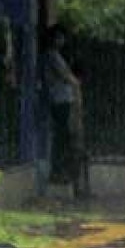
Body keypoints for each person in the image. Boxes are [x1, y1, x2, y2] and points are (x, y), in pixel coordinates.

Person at [43, 27, 83, 192]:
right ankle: (59, 171)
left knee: (64, 135)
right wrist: (75, 84)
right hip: (60, 100)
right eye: (60, 38)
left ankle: (62, 171)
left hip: (62, 99)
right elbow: (66, 75)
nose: (62, 41)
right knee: (62, 135)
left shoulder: (56, 56)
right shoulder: (52, 56)